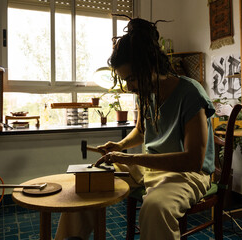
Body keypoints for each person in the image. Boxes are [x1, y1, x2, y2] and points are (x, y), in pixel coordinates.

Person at [55, 16, 215, 240]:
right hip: (150, 168)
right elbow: (141, 131)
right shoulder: (146, 94)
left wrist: (131, 159)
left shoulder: (190, 93)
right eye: (125, 80)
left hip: (187, 175)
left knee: (156, 207)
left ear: (149, 65)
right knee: (89, 182)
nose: (129, 87)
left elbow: (193, 160)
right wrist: (120, 145)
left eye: (131, 78)